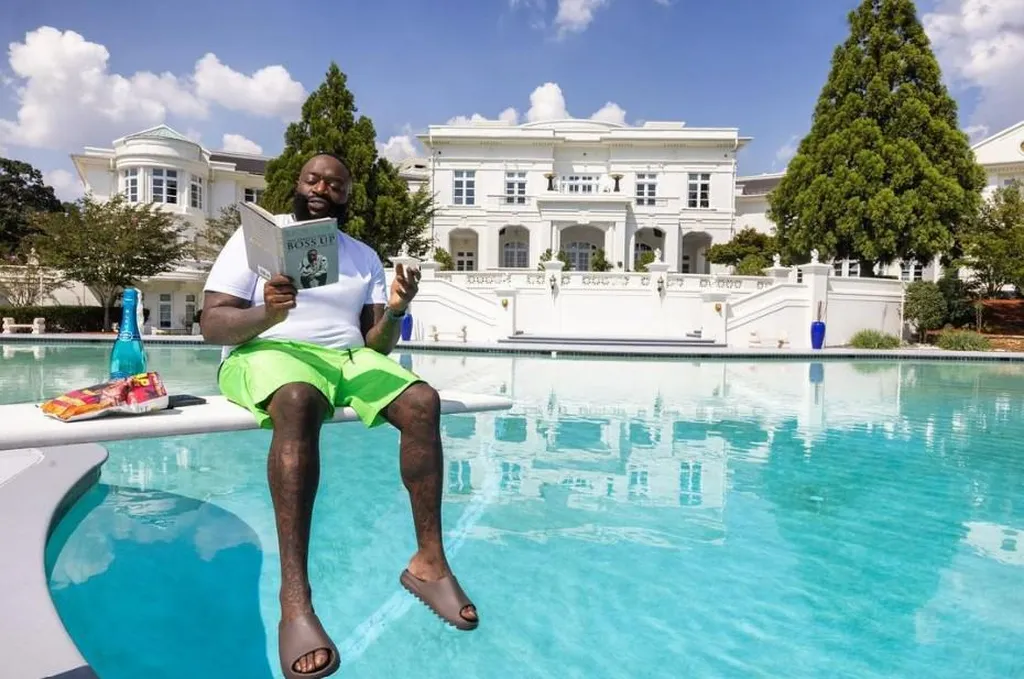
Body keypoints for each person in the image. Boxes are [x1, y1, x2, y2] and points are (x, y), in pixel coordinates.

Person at [200, 153, 478, 679]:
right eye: (313, 178)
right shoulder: (256, 240)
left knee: (422, 401)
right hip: (268, 352)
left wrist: (395, 309)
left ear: (348, 195)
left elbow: (377, 345)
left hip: (349, 359)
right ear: (297, 185)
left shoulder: (362, 256)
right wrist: (268, 313)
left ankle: (429, 562)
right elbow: (212, 325)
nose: (323, 187)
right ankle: (295, 598)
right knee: (300, 398)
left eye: (336, 182)